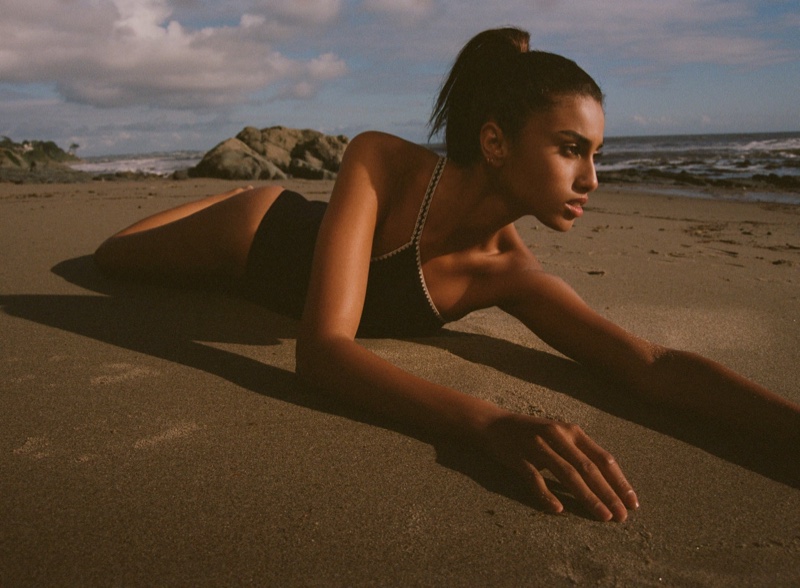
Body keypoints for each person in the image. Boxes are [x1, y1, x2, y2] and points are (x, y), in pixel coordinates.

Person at [94, 28, 800, 522]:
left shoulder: (511, 275)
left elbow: (650, 365)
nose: (592, 177)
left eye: (599, 154)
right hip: (253, 233)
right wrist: (486, 422)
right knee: (110, 258)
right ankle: (223, 193)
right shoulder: (381, 160)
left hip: (301, 241)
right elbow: (323, 353)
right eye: (570, 149)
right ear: (494, 141)